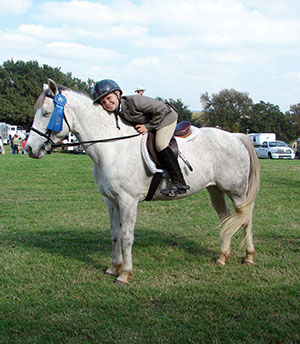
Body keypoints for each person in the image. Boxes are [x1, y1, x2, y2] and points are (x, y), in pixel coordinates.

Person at [92, 79, 189, 196]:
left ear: (117, 94)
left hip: (166, 117)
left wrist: (148, 127)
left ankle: (179, 182)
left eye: (109, 98)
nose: (107, 103)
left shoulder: (135, 101)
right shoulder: (117, 111)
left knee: (160, 144)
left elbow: (163, 109)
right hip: (154, 120)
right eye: (103, 102)